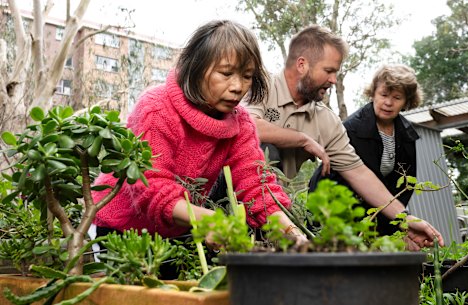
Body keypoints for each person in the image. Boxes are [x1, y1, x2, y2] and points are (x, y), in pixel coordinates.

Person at [89, 20, 308, 261]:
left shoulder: (240, 124)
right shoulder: (157, 109)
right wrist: (212, 221)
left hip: (175, 235)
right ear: (196, 67)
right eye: (226, 74)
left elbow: (256, 185)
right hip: (118, 231)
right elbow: (152, 187)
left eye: (247, 76)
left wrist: (294, 234)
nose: (238, 87)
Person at [243, 25, 444, 251]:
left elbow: (358, 172)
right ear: (302, 64)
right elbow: (247, 128)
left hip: (274, 214)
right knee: (266, 148)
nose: (333, 80)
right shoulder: (259, 85)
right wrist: (302, 139)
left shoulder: (326, 120)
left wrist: (405, 219)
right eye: (329, 71)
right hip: (228, 200)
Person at [309, 63, 422, 237]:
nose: (388, 102)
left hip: (379, 215)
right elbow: (350, 180)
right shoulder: (351, 129)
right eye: (383, 94)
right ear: (373, 93)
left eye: (397, 97)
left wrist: (397, 225)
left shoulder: (407, 135)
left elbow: (404, 186)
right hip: (336, 210)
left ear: (406, 102)